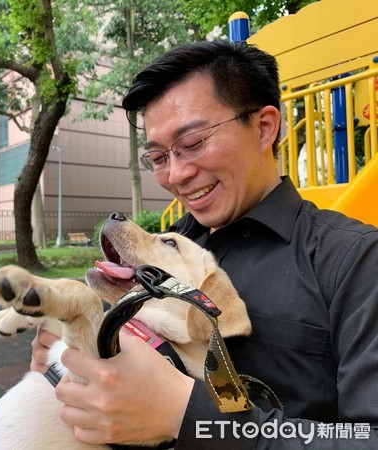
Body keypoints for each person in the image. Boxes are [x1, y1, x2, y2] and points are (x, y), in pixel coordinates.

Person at [31, 39, 378, 448]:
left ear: (265, 127)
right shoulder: (169, 243)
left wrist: (186, 415)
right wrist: (65, 356)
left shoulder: (354, 259)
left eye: (193, 143)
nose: (175, 174)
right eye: (159, 157)